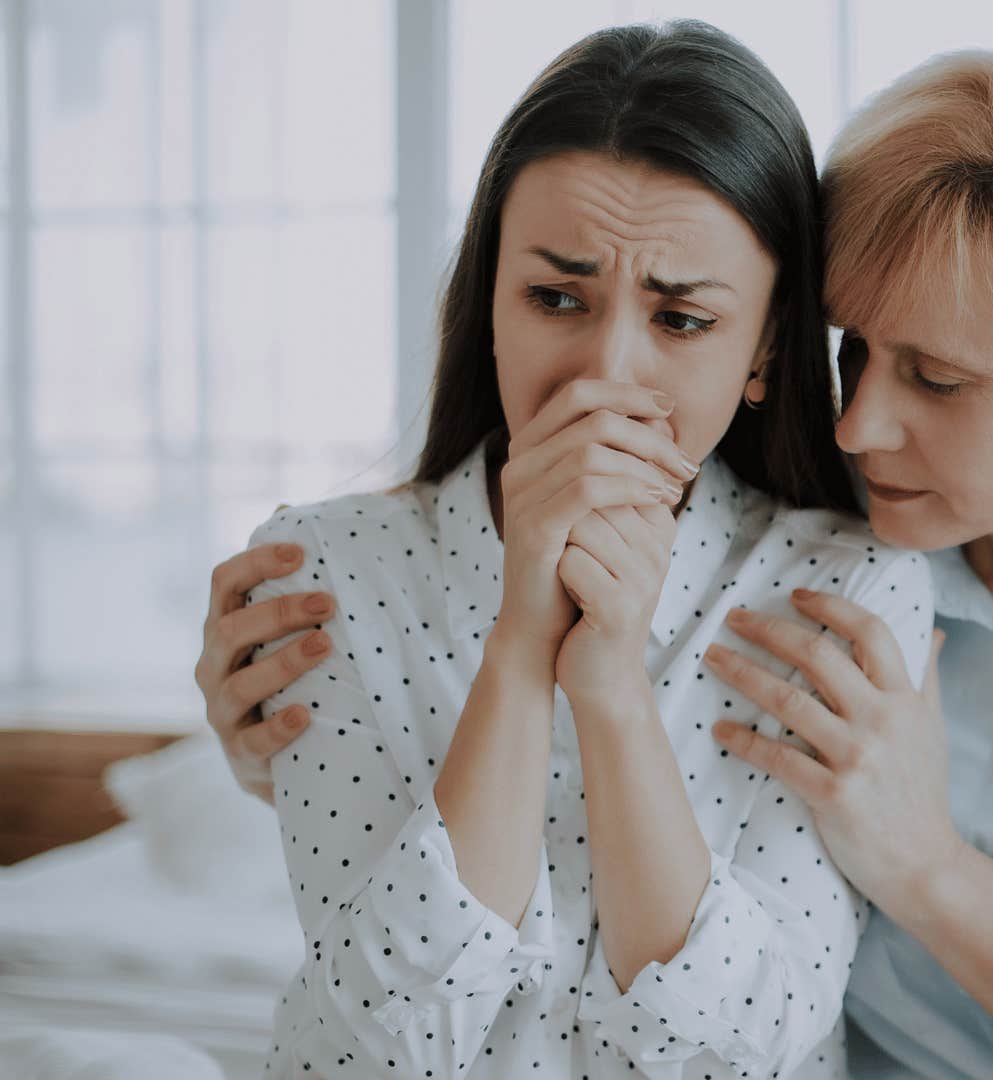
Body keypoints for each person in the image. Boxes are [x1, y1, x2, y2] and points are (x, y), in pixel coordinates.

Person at [204, 43, 993, 1079]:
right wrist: (273, 743)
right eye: (855, 352)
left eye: (939, 380)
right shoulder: (821, 526)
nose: (858, 426)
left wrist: (927, 869)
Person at [223, 22, 933, 1079]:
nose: (604, 374)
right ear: (491, 307)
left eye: (683, 320)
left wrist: (610, 688)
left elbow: (746, 1053)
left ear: (765, 348)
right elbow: (375, 1050)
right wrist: (521, 644)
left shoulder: (847, 589)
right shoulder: (327, 573)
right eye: (556, 299)